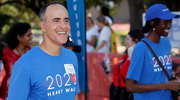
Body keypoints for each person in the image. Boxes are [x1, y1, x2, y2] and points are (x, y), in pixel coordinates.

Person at [7, 1, 80, 100]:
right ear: (43, 26)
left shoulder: (71, 57)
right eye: (56, 20)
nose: (63, 26)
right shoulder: (25, 64)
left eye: (66, 20)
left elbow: (74, 95)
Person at [126, 3, 180, 100]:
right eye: (165, 22)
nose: (169, 26)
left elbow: (162, 63)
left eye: (170, 22)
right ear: (152, 23)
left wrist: (177, 67)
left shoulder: (166, 43)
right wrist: (166, 85)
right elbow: (130, 86)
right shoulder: (141, 48)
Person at [0, 22, 32, 99]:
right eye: (28, 35)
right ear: (19, 37)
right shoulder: (6, 52)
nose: (31, 38)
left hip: (27, 93)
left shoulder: (32, 53)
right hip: (7, 94)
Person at [110, 30, 144, 100]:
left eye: (128, 39)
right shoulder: (127, 56)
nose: (125, 41)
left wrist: (132, 52)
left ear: (136, 41)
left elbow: (136, 72)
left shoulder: (136, 56)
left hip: (129, 94)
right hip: (121, 92)